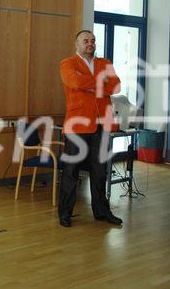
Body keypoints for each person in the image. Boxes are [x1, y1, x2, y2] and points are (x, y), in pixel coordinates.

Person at [58, 30, 123, 228]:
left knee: (100, 171)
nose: (90, 44)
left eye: (93, 41)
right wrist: (100, 82)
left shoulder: (105, 63)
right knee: (71, 171)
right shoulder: (67, 63)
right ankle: (65, 213)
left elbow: (116, 86)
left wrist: (92, 84)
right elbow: (74, 81)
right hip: (77, 125)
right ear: (76, 43)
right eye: (85, 41)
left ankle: (102, 212)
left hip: (102, 124)